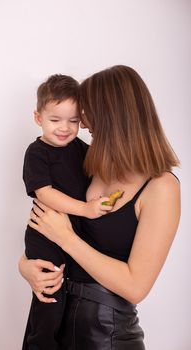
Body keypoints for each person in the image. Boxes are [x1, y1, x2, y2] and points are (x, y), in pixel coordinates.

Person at [19, 65, 181, 350]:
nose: (81, 124)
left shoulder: (161, 187)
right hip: (54, 321)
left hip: (105, 335)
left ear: (113, 116)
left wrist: (65, 238)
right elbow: (53, 225)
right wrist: (25, 266)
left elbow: (135, 287)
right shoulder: (91, 163)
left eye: (86, 113)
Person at [22, 74, 113, 350]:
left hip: (70, 237)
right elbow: (44, 193)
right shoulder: (37, 153)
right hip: (45, 236)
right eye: (55, 120)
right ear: (38, 118)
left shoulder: (79, 149)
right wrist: (86, 209)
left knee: (68, 302)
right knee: (50, 299)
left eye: (74, 121)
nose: (65, 128)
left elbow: (102, 159)